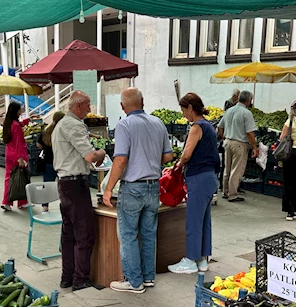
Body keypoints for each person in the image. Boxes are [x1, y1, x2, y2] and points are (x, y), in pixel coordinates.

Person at [102, 88, 173, 293]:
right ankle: (148, 277)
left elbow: (121, 159)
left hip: (133, 188)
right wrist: (150, 161)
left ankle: (134, 282)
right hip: (153, 186)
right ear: (143, 101)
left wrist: (108, 189)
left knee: (128, 235)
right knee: (149, 234)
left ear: (122, 106)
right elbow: (168, 156)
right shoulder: (157, 122)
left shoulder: (124, 125)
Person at [52, 91, 106, 291]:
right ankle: (80, 280)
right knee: (84, 233)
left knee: (69, 233)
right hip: (75, 184)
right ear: (78, 106)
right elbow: (90, 156)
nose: (90, 110)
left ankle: (67, 277)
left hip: (64, 183)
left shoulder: (61, 124)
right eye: (88, 105)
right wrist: (102, 152)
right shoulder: (74, 125)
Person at [168, 93, 220, 274]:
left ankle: (190, 259)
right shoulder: (209, 126)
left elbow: (187, 153)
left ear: (191, 108)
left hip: (198, 177)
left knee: (193, 221)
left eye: (184, 111)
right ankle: (202, 260)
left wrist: (177, 166)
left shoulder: (196, 127)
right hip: (210, 177)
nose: (183, 115)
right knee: (204, 220)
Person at [217, 90, 258, 202]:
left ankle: (225, 192)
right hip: (239, 144)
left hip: (228, 142)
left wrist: (224, 137)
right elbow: (250, 132)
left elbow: (219, 127)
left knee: (227, 168)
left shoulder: (229, 110)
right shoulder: (247, 113)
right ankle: (232, 194)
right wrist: (254, 147)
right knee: (236, 170)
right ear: (249, 100)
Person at [1, 101, 30, 212]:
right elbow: (19, 142)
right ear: (16, 111)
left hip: (9, 154)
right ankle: (22, 202)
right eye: (20, 109)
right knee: (22, 177)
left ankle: (6, 202)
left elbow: (16, 128)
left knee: (9, 178)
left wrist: (26, 121)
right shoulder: (16, 126)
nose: (21, 111)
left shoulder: (8, 123)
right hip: (18, 155)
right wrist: (21, 158)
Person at [36, 111, 65, 212]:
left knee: (47, 185)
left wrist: (46, 147)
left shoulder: (46, 130)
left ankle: (45, 206)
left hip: (48, 161)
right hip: (61, 161)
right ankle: (65, 205)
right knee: (64, 185)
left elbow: (38, 145)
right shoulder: (62, 130)